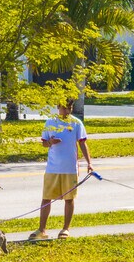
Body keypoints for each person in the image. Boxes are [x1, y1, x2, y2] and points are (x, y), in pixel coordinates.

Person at [29, 99, 93, 240]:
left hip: (70, 168)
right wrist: (51, 142)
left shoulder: (76, 123)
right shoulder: (50, 122)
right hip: (53, 168)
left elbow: (82, 143)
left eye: (69, 108)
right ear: (58, 107)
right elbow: (44, 144)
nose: (67, 111)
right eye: (64, 108)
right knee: (46, 198)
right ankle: (42, 230)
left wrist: (89, 162)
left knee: (69, 199)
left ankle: (65, 229)